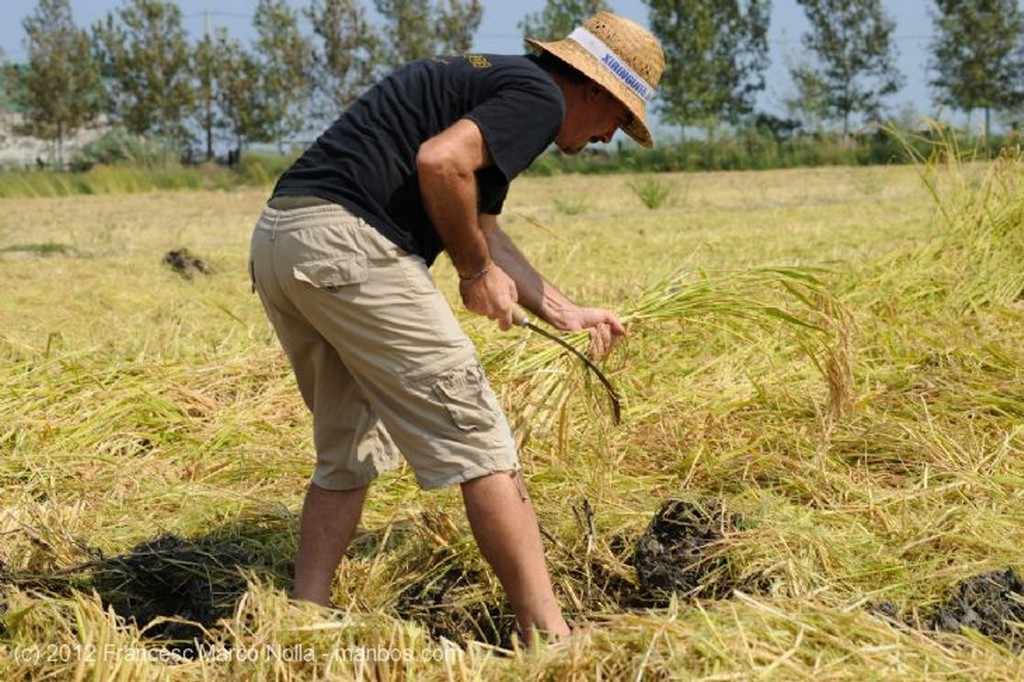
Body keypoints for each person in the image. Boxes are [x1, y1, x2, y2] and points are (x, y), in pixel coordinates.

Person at [248, 12, 665, 642]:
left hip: (285, 239)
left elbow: (485, 230)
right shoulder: (539, 101)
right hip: (351, 247)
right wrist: (472, 273)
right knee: (481, 437)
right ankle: (550, 636)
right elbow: (440, 162)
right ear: (592, 90)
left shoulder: (499, 84)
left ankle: (304, 620)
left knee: (347, 450)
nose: (610, 137)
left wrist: (563, 310)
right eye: (618, 119)